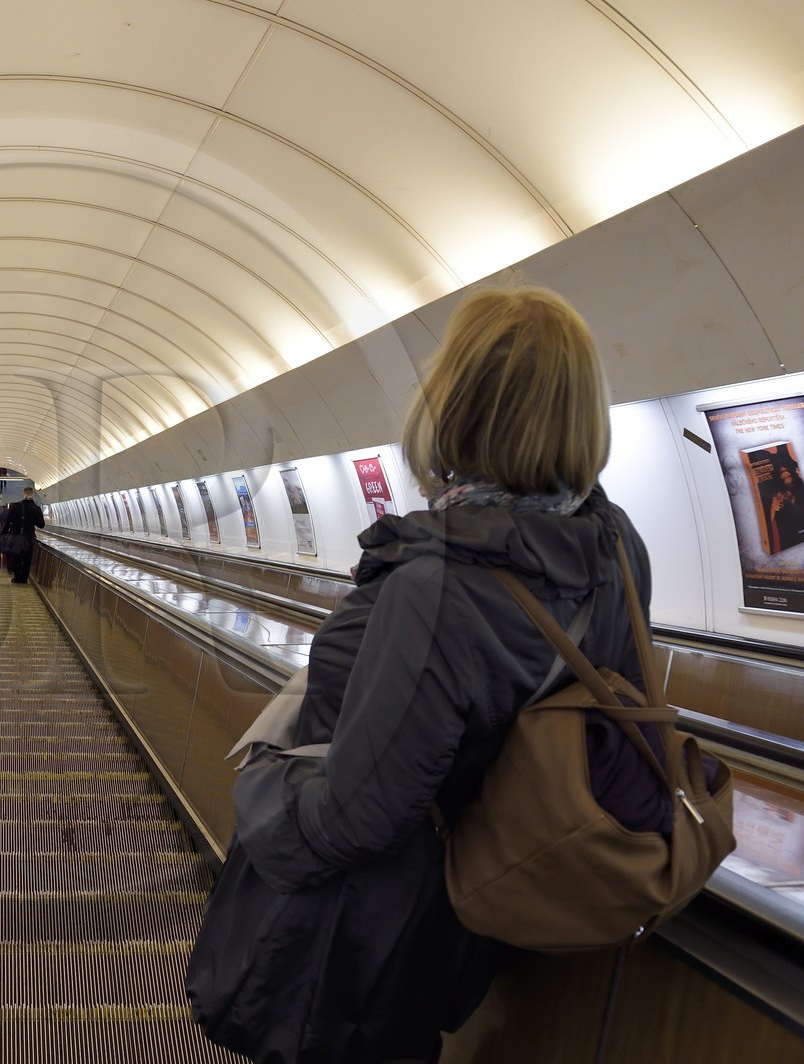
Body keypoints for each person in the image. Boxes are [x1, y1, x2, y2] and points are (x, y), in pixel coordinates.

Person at [232, 286, 652, 1062]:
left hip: (369, 929)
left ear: (455, 405)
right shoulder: (615, 549)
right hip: (480, 900)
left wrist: (262, 786)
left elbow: (360, 816)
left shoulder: (438, 582)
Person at [1, 485, 45, 584]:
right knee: (27, 558)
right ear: (32, 494)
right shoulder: (36, 508)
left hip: (16, 536)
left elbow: (7, 522)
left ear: (23, 494)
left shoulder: (15, 506)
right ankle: (24, 578)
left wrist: (3, 533)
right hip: (29, 537)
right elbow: (41, 525)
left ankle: (17, 578)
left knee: (16, 557)